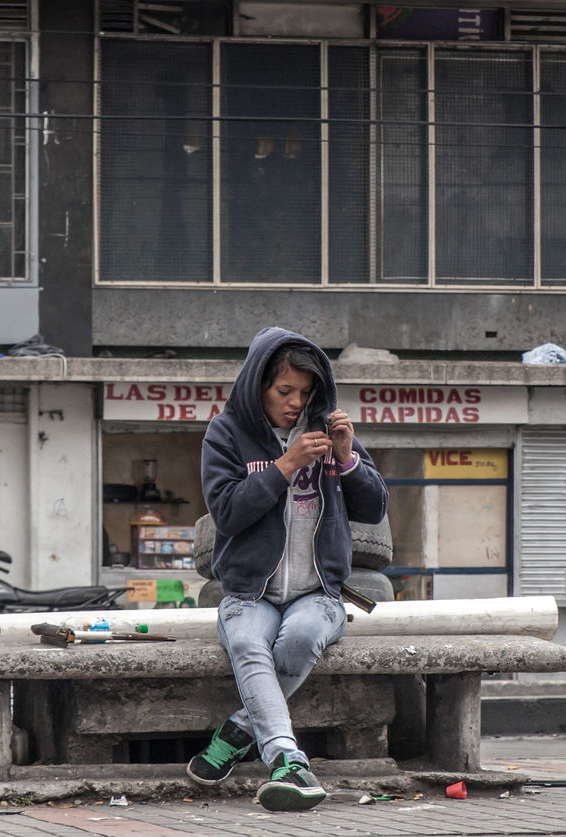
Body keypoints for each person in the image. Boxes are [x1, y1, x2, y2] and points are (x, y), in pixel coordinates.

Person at [187, 327, 388, 812]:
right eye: (284, 391)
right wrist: (284, 466)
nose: (295, 402)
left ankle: (239, 731)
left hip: (318, 593)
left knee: (301, 637)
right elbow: (227, 513)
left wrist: (348, 458)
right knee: (246, 643)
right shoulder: (226, 433)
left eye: (304, 391)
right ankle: (288, 761)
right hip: (248, 593)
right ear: (258, 385)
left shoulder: (327, 432)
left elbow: (374, 507)